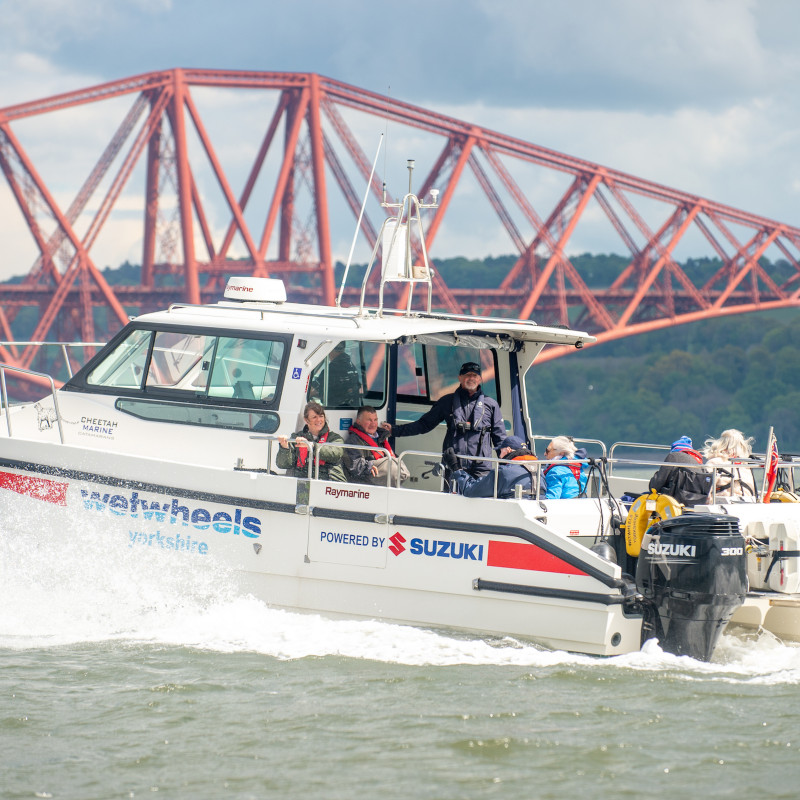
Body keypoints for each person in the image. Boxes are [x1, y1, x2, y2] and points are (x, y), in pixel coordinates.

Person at [382, 361, 506, 480]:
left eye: (475, 375)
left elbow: (500, 438)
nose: (471, 378)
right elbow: (424, 424)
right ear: (460, 378)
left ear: (480, 379)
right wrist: (395, 430)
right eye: (467, 375)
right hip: (453, 464)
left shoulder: (491, 405)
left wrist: (509, 466)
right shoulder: (446, 402)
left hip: (481, 468)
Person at [275, 401, 346, 481]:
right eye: (314, 417)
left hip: (329, 482)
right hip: (302, 482)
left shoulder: (335, 438)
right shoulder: (296, 437)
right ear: (306, 420)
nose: (319, 420)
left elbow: (336, 454)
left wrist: (312, 446)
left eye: (321, 416)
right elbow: (282, 465)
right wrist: (284, 447)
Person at [451, 435, 537, 498]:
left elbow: (470, 490)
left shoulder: (504, 472)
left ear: (508, 450)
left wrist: (456, 467)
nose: (499, 456)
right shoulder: (538, 470)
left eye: (501, 451)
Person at [343, 405, 408, 485]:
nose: (373, 424)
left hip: (385, 482)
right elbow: (355, 465)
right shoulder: (353, 440)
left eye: (375, 420)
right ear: (358, 421)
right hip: (366, 484)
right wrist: (369, 467)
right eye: (369, 420)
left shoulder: (381, 437)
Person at [648, 435, 712, 505]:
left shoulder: (673, 456)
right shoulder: (699, 463)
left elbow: (657, 483)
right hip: (696, 502)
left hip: (675, 500)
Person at [703, 429, 757, 500]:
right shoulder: (746, 465)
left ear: (721, 443)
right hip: (749, 500)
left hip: (725, 502)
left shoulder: (715, 462)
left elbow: (706, 489)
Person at [309, 341, 361, 408]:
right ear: (343, 349)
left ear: (331, 350)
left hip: (335, 410)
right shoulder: (352, 367)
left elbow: (312, 390)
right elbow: (338, 390)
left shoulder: (332, 369)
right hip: (351, 408)